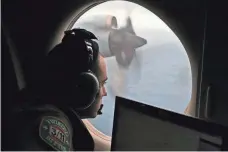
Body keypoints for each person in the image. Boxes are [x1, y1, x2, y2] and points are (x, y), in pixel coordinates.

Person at [3, 28, 108, 151]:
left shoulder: (39, 106)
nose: (104, 92)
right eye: (102, 83)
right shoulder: (50, 123)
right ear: (84, 88)